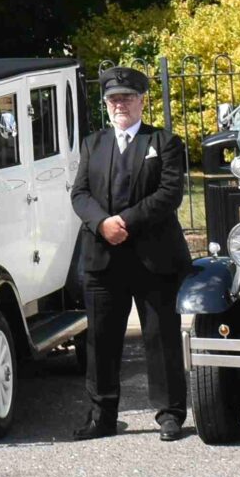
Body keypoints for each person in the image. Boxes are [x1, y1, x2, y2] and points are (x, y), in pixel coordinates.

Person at [67, 66, 191, 441]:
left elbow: (170, 194)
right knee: (101, 341)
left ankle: (169, 414)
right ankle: (102, 417)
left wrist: (125, 221)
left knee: (161, 337)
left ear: (141, 101)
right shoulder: (93, 143)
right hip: (103, 257)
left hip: (153, 257)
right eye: (113, 99)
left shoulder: (165, 142)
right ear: (106, 104)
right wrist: (102, 223)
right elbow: (79, 194)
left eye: (127, 97)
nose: (120, 104)